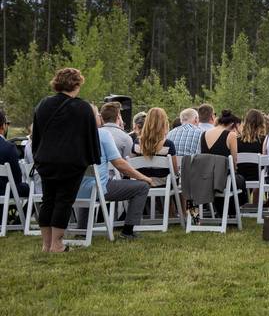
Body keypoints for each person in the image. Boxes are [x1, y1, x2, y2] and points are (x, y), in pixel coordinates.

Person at [31, 68, 100, 253]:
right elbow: (90, 136)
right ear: (76, 84)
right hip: (71, 161)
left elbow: (35, 134)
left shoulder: (43, 104)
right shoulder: (83, 107)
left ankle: (45, 244)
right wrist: (92, 157)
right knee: (63, 201)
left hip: (46, 160)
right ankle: (57, 244)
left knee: (48, 200)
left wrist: (38, 156)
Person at [79, 102, 155, 240]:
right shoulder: (102, 134)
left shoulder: (72, 135)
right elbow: (120, 164)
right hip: (100, 188)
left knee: (88, 183)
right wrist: (144, 178)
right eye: (97, 114)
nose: (100, 117)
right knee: (142, 187)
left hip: (75, 189)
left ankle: (82, 228)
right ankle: (128, 231)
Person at [200, 110, 248, 206]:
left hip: (205, 179)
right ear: (232, 125)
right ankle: (235, 210)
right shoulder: (231, 135)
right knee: (240, 180)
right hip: (222, 180)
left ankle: (220, 209)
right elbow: (234, 161)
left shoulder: (204, 134)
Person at [132, 107, 179, 179]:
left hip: (142, 184)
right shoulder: (169, 145)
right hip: (164, 185)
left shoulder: (136, 143)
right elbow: (175, 171)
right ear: (164, 123)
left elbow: (133, 166)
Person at [0, 108, 28, 199]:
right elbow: (17, 178)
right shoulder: (8, 148)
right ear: (3, 126)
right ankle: (23, 213)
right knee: (29, 188)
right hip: (4, 193)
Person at [237, 109, 268, 183]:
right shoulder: (264, 140)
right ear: (261, 124)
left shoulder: (236, 140)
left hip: (240, 177)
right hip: (258, 178)